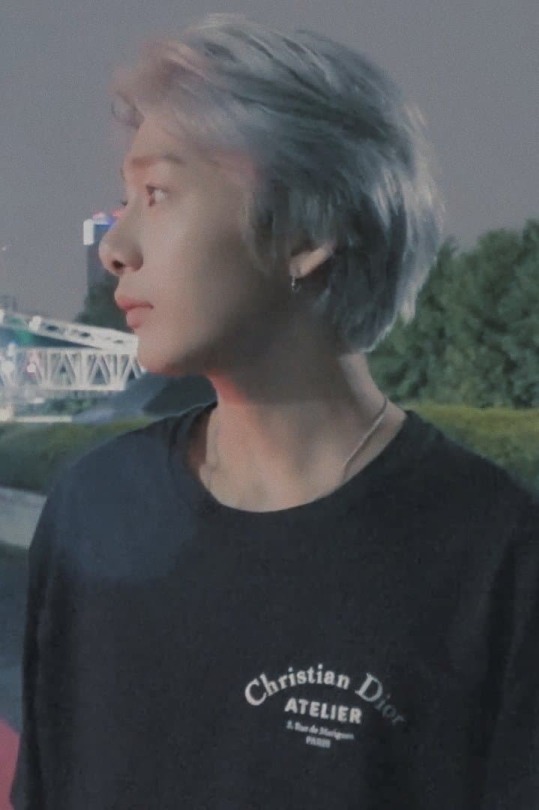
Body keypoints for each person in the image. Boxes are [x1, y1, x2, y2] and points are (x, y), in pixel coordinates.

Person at [11, 13, 538, 809]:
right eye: (123, 199)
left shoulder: (494, 553)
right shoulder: (93, 508)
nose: (116, 246)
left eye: (157, 193)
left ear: (307, 231)